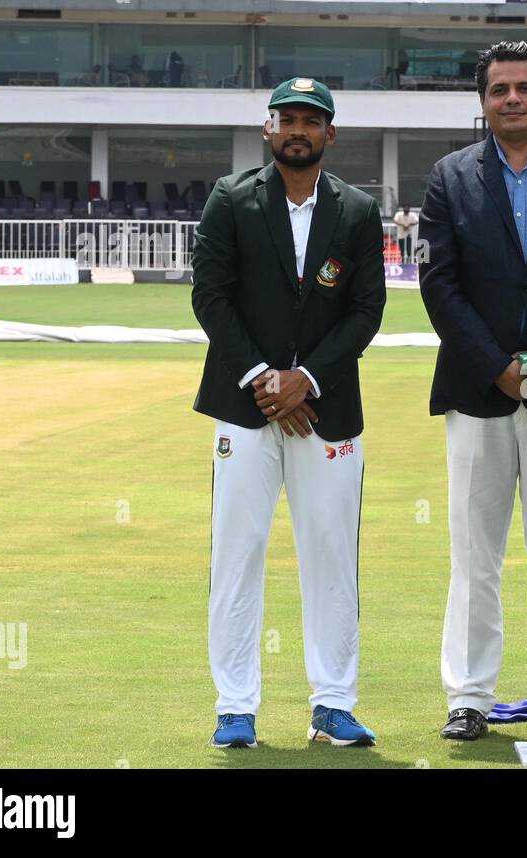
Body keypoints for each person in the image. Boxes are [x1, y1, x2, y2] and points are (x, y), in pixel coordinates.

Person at [191, 77, 387, 750]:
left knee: (332, 557)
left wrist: (304, 379)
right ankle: (235, 707)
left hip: (325, 411)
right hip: (244, 410)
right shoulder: (231, 197)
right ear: (267, 129)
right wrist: (264, 382)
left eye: (312, 120)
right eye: (288, 118)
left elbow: (367, 313)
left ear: (331, 134)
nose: (299, 129)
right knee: (236, 555)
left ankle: (333, 703)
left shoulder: (358, 211)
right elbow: (210, 298)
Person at [418, 41, 527, 742]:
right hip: (477, 389)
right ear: (484, 101)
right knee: (474, 555)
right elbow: (440, 286)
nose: (512, 99)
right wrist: (498, 365)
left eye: (525, 87)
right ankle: (470, 696)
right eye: (500, 90)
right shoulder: (449, 177)